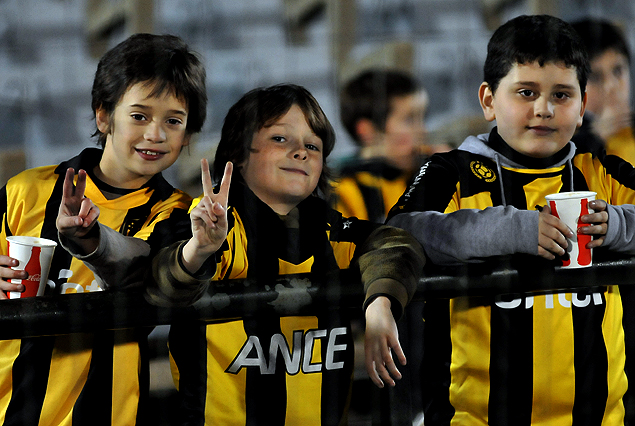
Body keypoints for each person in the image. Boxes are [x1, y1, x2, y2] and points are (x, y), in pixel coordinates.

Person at [386, 14, 635, 424]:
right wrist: (514, 229)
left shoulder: (600, 171)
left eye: (561, 95)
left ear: (583, 106)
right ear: (487, 101)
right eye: (525, 92)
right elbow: (400, 231)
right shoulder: (453, 170)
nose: (543, 109)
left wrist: (618, 225)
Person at [148, 84, 426, 425]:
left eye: (313, 145)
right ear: (238, 154)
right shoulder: (205, 226)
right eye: (280, 139)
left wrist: (381, 304)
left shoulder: (331, 231)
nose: (301, 152)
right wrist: (198, 251)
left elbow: (396, 244)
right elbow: (161, 279)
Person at [0, 33, 206, 425]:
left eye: (174, 121)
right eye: (139, 115)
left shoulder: (180, 213)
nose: (155, 134)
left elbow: (145, 272)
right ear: (103, 115)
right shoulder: (25, 191)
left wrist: (87, 240)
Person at [332, 69, 435, 223]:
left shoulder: (428, 175)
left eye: (423, 117)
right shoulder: (344, 192)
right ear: (368, 131)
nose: (423, 131)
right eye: (409, 120)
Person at [571, 18, 635, 165]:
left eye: (618, 70)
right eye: (595, 77)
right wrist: (594, 139)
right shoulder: (559, 142)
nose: (610, 86)